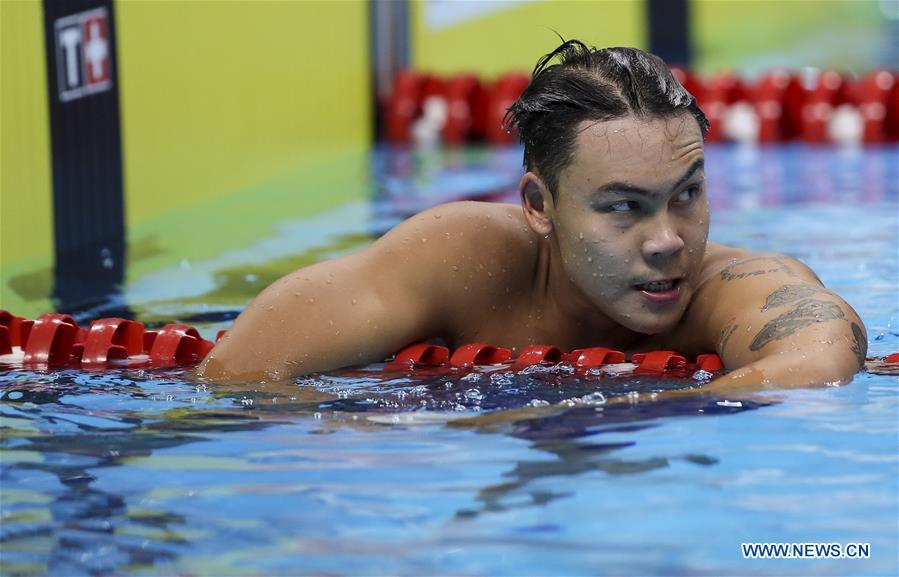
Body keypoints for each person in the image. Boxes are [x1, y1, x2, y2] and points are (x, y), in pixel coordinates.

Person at [198, 40, 867, 390]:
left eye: (686, 194)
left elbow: (819, 358)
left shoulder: (732, 285)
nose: (668, 242)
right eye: (624, 208)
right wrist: (346, 431)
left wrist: (638, 407)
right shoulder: (460, 257)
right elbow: (240, 370)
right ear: (537, 205)